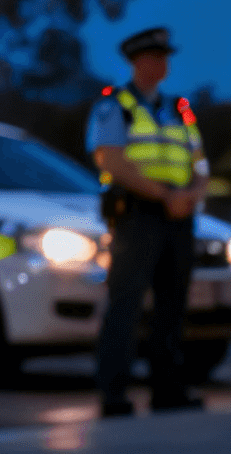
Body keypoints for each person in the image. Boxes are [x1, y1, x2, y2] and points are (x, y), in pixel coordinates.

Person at [86, 26, 208, 417]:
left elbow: (200, 163)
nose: (163, 63)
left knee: (173, 306)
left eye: (166, 57)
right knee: (126, 304)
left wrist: (191, 194)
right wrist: (165, 195)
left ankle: (168, 389)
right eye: (156, 56)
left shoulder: (180, 110)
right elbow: (111, 160)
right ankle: (114, 393)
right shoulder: (114, 105)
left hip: (177, 217)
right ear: (138, 62)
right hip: (138, 215)